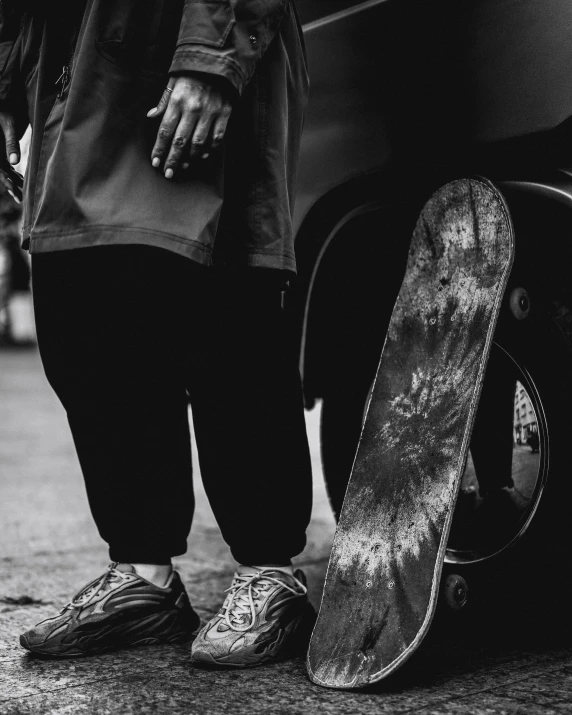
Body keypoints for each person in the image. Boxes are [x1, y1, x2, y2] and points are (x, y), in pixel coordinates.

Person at [0, 0, 313, 666]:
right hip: (73, 66)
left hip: (180, 43)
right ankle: (145, 578)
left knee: (221, 308)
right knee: (87, 314)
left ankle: (270, 569)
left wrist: (212, 60)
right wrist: (4, 79)